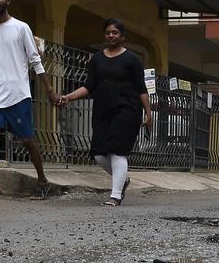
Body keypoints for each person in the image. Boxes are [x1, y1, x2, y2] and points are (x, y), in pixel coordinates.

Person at [58, 20, 153, 206]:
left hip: (127, 110)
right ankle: (123, 179)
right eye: (108, 32)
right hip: (102, 111)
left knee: (118, 152)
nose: (111, 35)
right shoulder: (97, 59)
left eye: (115, 33)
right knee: (99, 154)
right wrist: (68, 97)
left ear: (123, 37)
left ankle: (115, 196)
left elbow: (142, 89)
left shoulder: (132, 60)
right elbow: (88, 86)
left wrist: (148, 114)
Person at [0, 0, 58, 200]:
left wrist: (49, 90)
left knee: (26, 140)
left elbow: (35, 60)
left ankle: (42, 179)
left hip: (19, 93)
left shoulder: (21, 27)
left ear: (7, 0)